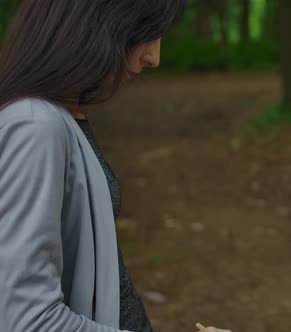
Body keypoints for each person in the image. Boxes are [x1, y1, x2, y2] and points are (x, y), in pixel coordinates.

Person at [0, 1, 230, 331]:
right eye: (148, 33)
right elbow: (28, 321)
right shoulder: (34, 126)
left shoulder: (56, 118)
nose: (154, 57)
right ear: (97, 23)